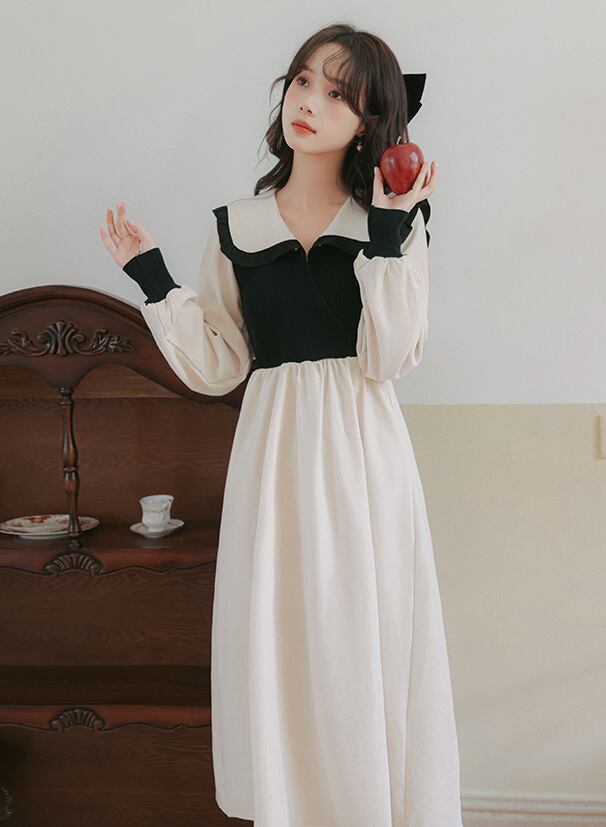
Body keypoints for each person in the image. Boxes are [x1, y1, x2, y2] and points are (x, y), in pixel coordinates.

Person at [99, 22, 462, 827]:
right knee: (282, 635)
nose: (310, 102)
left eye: (338, 94)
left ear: (368, 122)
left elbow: (390, 355)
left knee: (360, 631)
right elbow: (221, 364)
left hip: (362, 452)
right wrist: (151, 275)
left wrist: (393, 228)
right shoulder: (236, 225)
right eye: (303, 81)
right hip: (272, 454)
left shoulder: (392, 220)